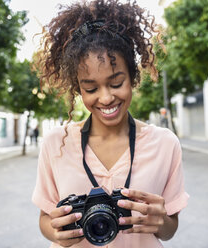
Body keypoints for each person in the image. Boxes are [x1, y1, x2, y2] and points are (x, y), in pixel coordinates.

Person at [32, 1, 189, 247]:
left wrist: (163, 223)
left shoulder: (165, 143)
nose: (106, 98)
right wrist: (56, 233)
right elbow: (44, 219)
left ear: (133, 76)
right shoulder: (56, 143)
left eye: (116, 83)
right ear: (78, 88)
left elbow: (169, 229)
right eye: (91, 88)